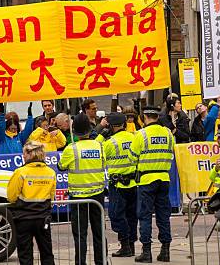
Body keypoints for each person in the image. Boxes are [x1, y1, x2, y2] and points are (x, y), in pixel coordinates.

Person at [58, 113, 107, 265]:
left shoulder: (71, 149)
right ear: (89, 129)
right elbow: (103, 163)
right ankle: (101, 261)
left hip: (78, 198)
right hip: (97, 196)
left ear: (75, 131)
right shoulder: (99, 146)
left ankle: (81, 262)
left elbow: (61, 167)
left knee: (80, 234)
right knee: (99, 232)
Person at [130, 106, 175, 263]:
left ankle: (147, 252)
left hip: (147, 180)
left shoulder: (140, 134)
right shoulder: (168, 133)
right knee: (164, 216)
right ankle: (165, 251)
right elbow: (171, 152)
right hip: (164, 178)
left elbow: (132, 157)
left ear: (144, 116)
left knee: (145, 216)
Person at [7, 141, 56, 265]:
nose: (23, 156)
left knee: (25, 255)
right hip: (43, 219)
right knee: (47, 253)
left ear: (30, 154)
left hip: (24, 219)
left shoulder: (20, 172)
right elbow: (52, 196)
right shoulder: (51, 172)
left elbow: (11, 197)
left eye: (24, 153)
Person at [100, 112, 139, 257]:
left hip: (118, 185)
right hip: (134, 183)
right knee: (131, 215)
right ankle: (131, 245)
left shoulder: (109, 142)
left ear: (110, 126)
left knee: (116, 214)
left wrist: (101, 134)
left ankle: (125, 245)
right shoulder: (134, 137)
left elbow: (98, 152)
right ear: (124, 124)